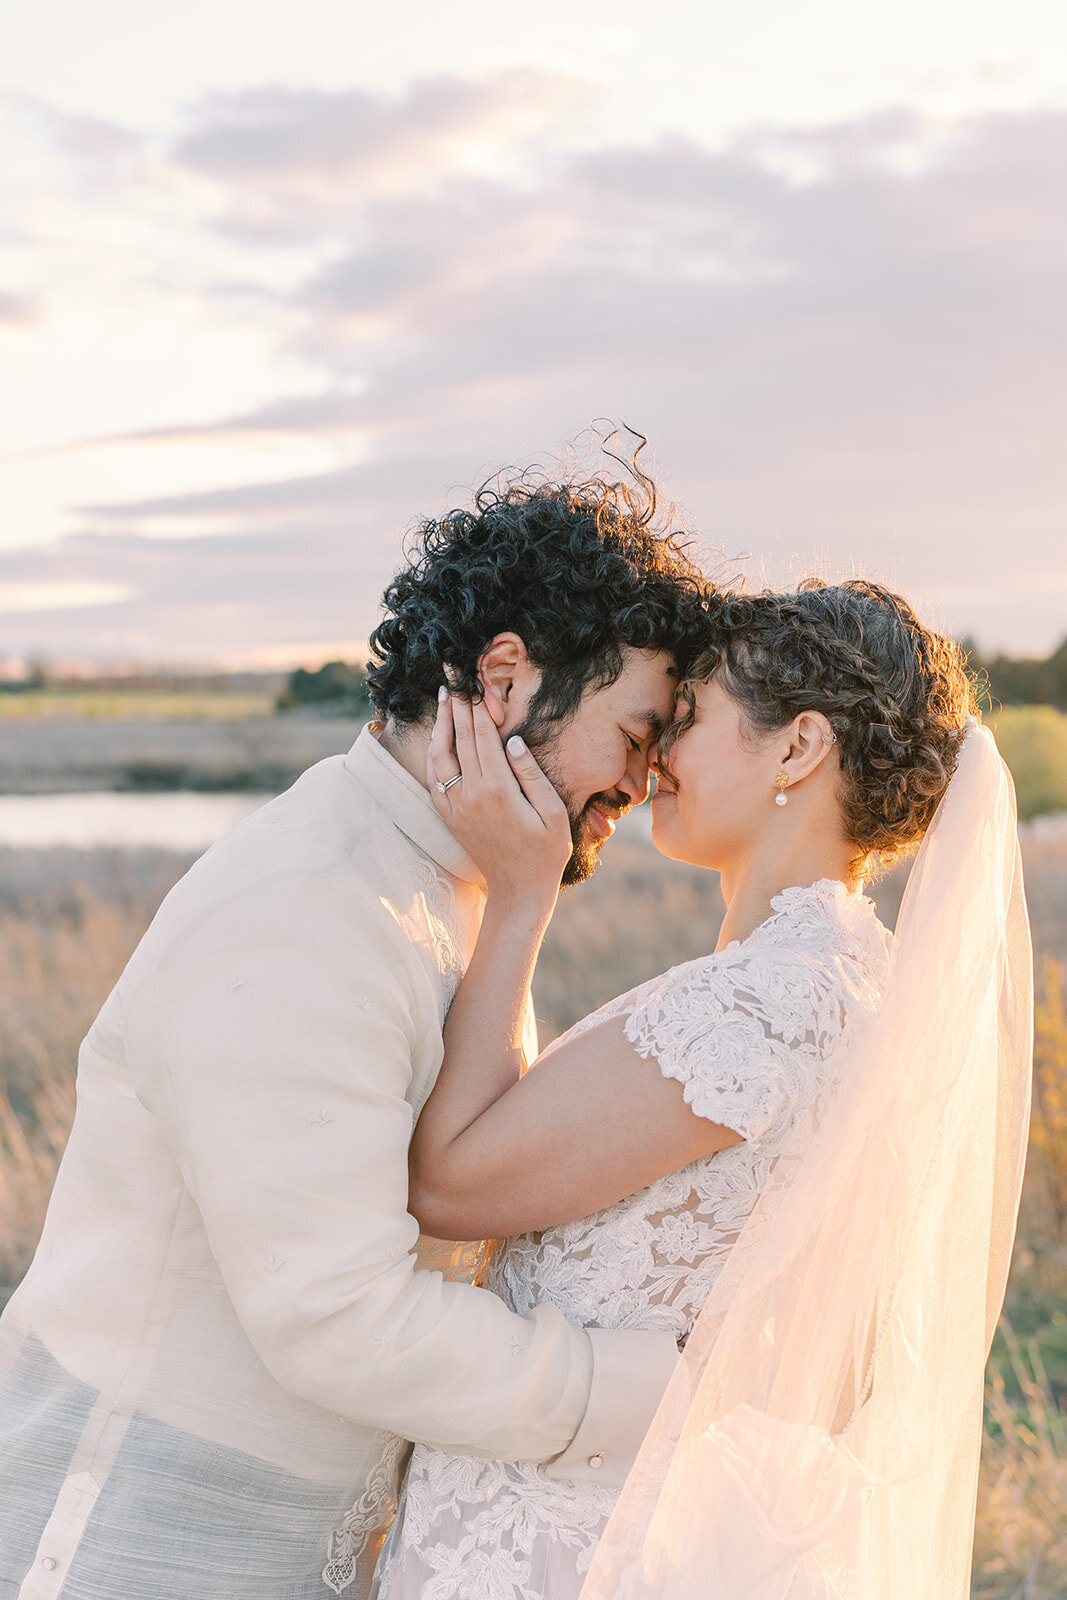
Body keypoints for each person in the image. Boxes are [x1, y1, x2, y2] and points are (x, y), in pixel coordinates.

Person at [0, 470, 711, 1599]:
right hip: (139, 1536)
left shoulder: (461, 888)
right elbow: (338, 1319)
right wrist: (660, 1387)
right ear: (503, 676)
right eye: (633, 732)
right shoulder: (304, 903)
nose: (642, 779)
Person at [371, 579, 1032, 1600]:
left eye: (686, 719)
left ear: (797, 746)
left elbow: (451, 1182)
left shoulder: (761, 1005)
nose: (649, 763)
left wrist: (518, 897)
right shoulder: (851, 979)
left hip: (564, 1554)